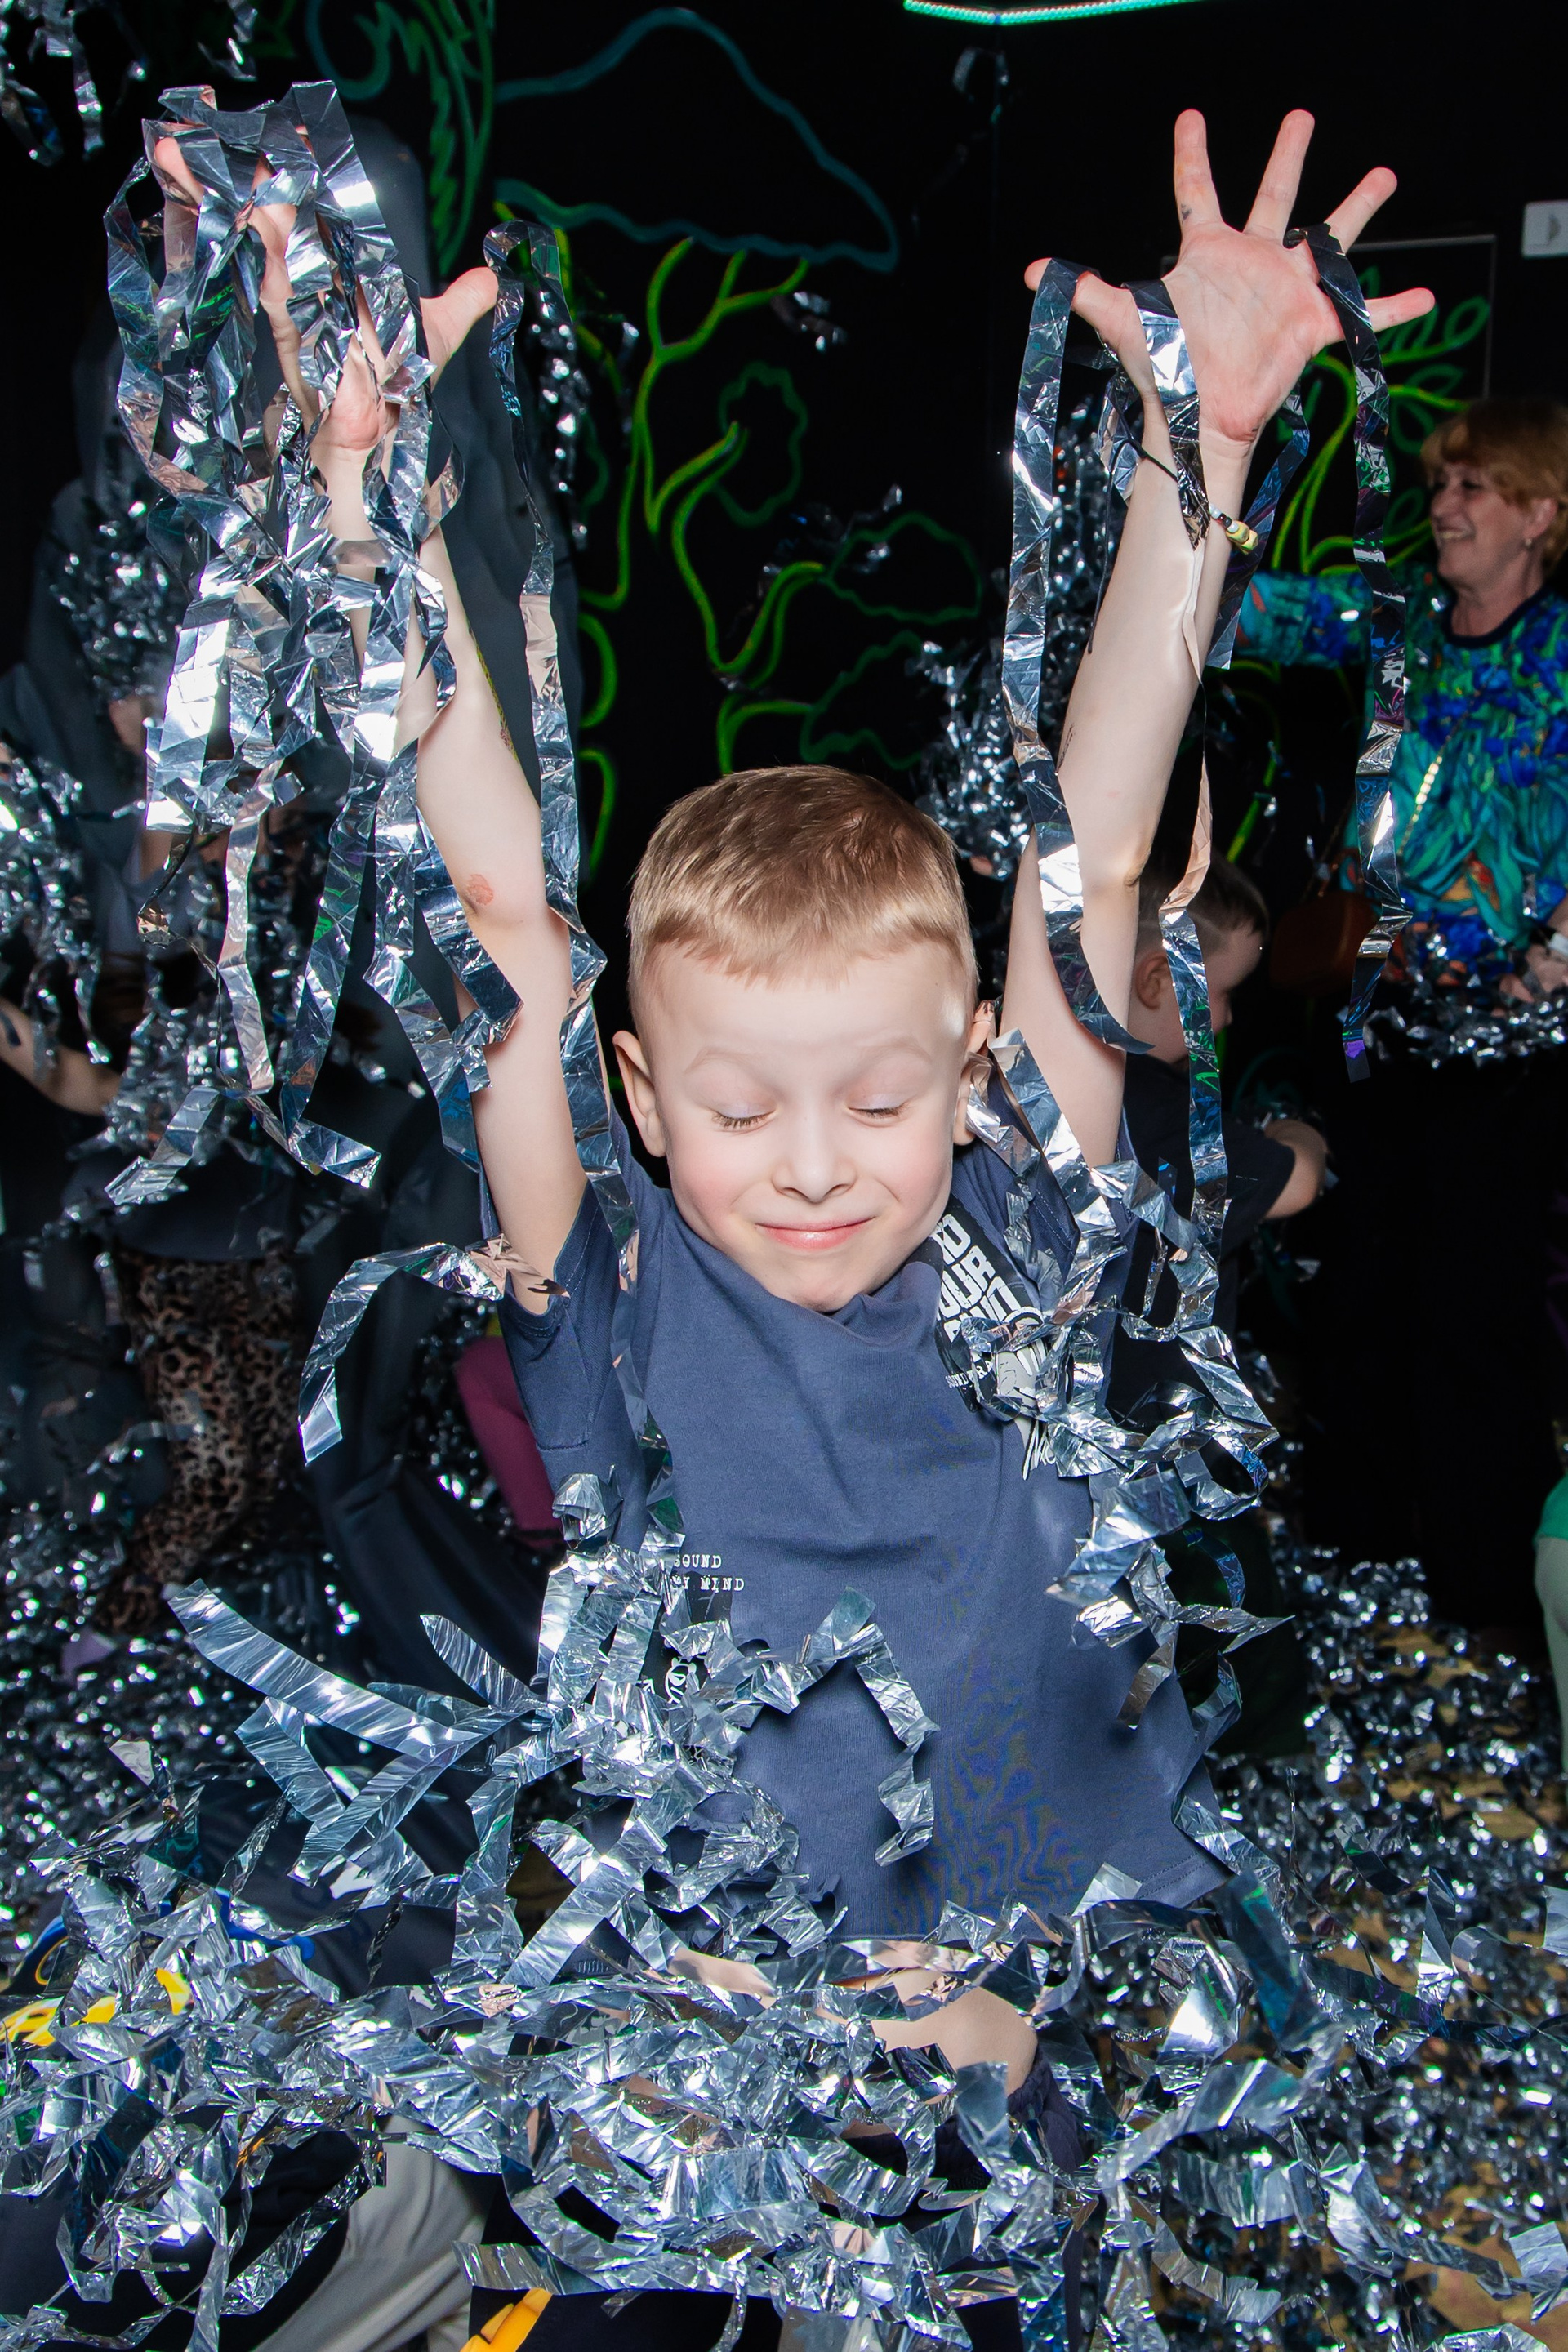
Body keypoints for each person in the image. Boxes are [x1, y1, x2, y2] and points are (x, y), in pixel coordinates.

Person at [158, 103, 1429, 2350]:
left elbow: (1090, 848)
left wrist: (1199, 463)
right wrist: (375, 517)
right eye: (741, 1108)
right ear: (650, 1102)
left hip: (1001, 2088)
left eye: (880, 1098)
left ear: (971, 1075)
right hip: (691, 2107)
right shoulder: (617, 1291)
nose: (818, 1161)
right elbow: (503, 919)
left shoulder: (1022, 1242)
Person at [1241, 402, 1568, 1637]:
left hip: (1505, 1049)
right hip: (1374, 1012)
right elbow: (1264, 616)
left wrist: (1553, 960)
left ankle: (1482, 1602)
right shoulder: (1409, 623)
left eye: (1476, 487)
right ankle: (1354, 1557)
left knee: (1475, 1312)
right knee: (1362, 1288)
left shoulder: (1563, 652)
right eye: (1441, 484)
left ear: (1540, 515)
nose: (1445, 506)